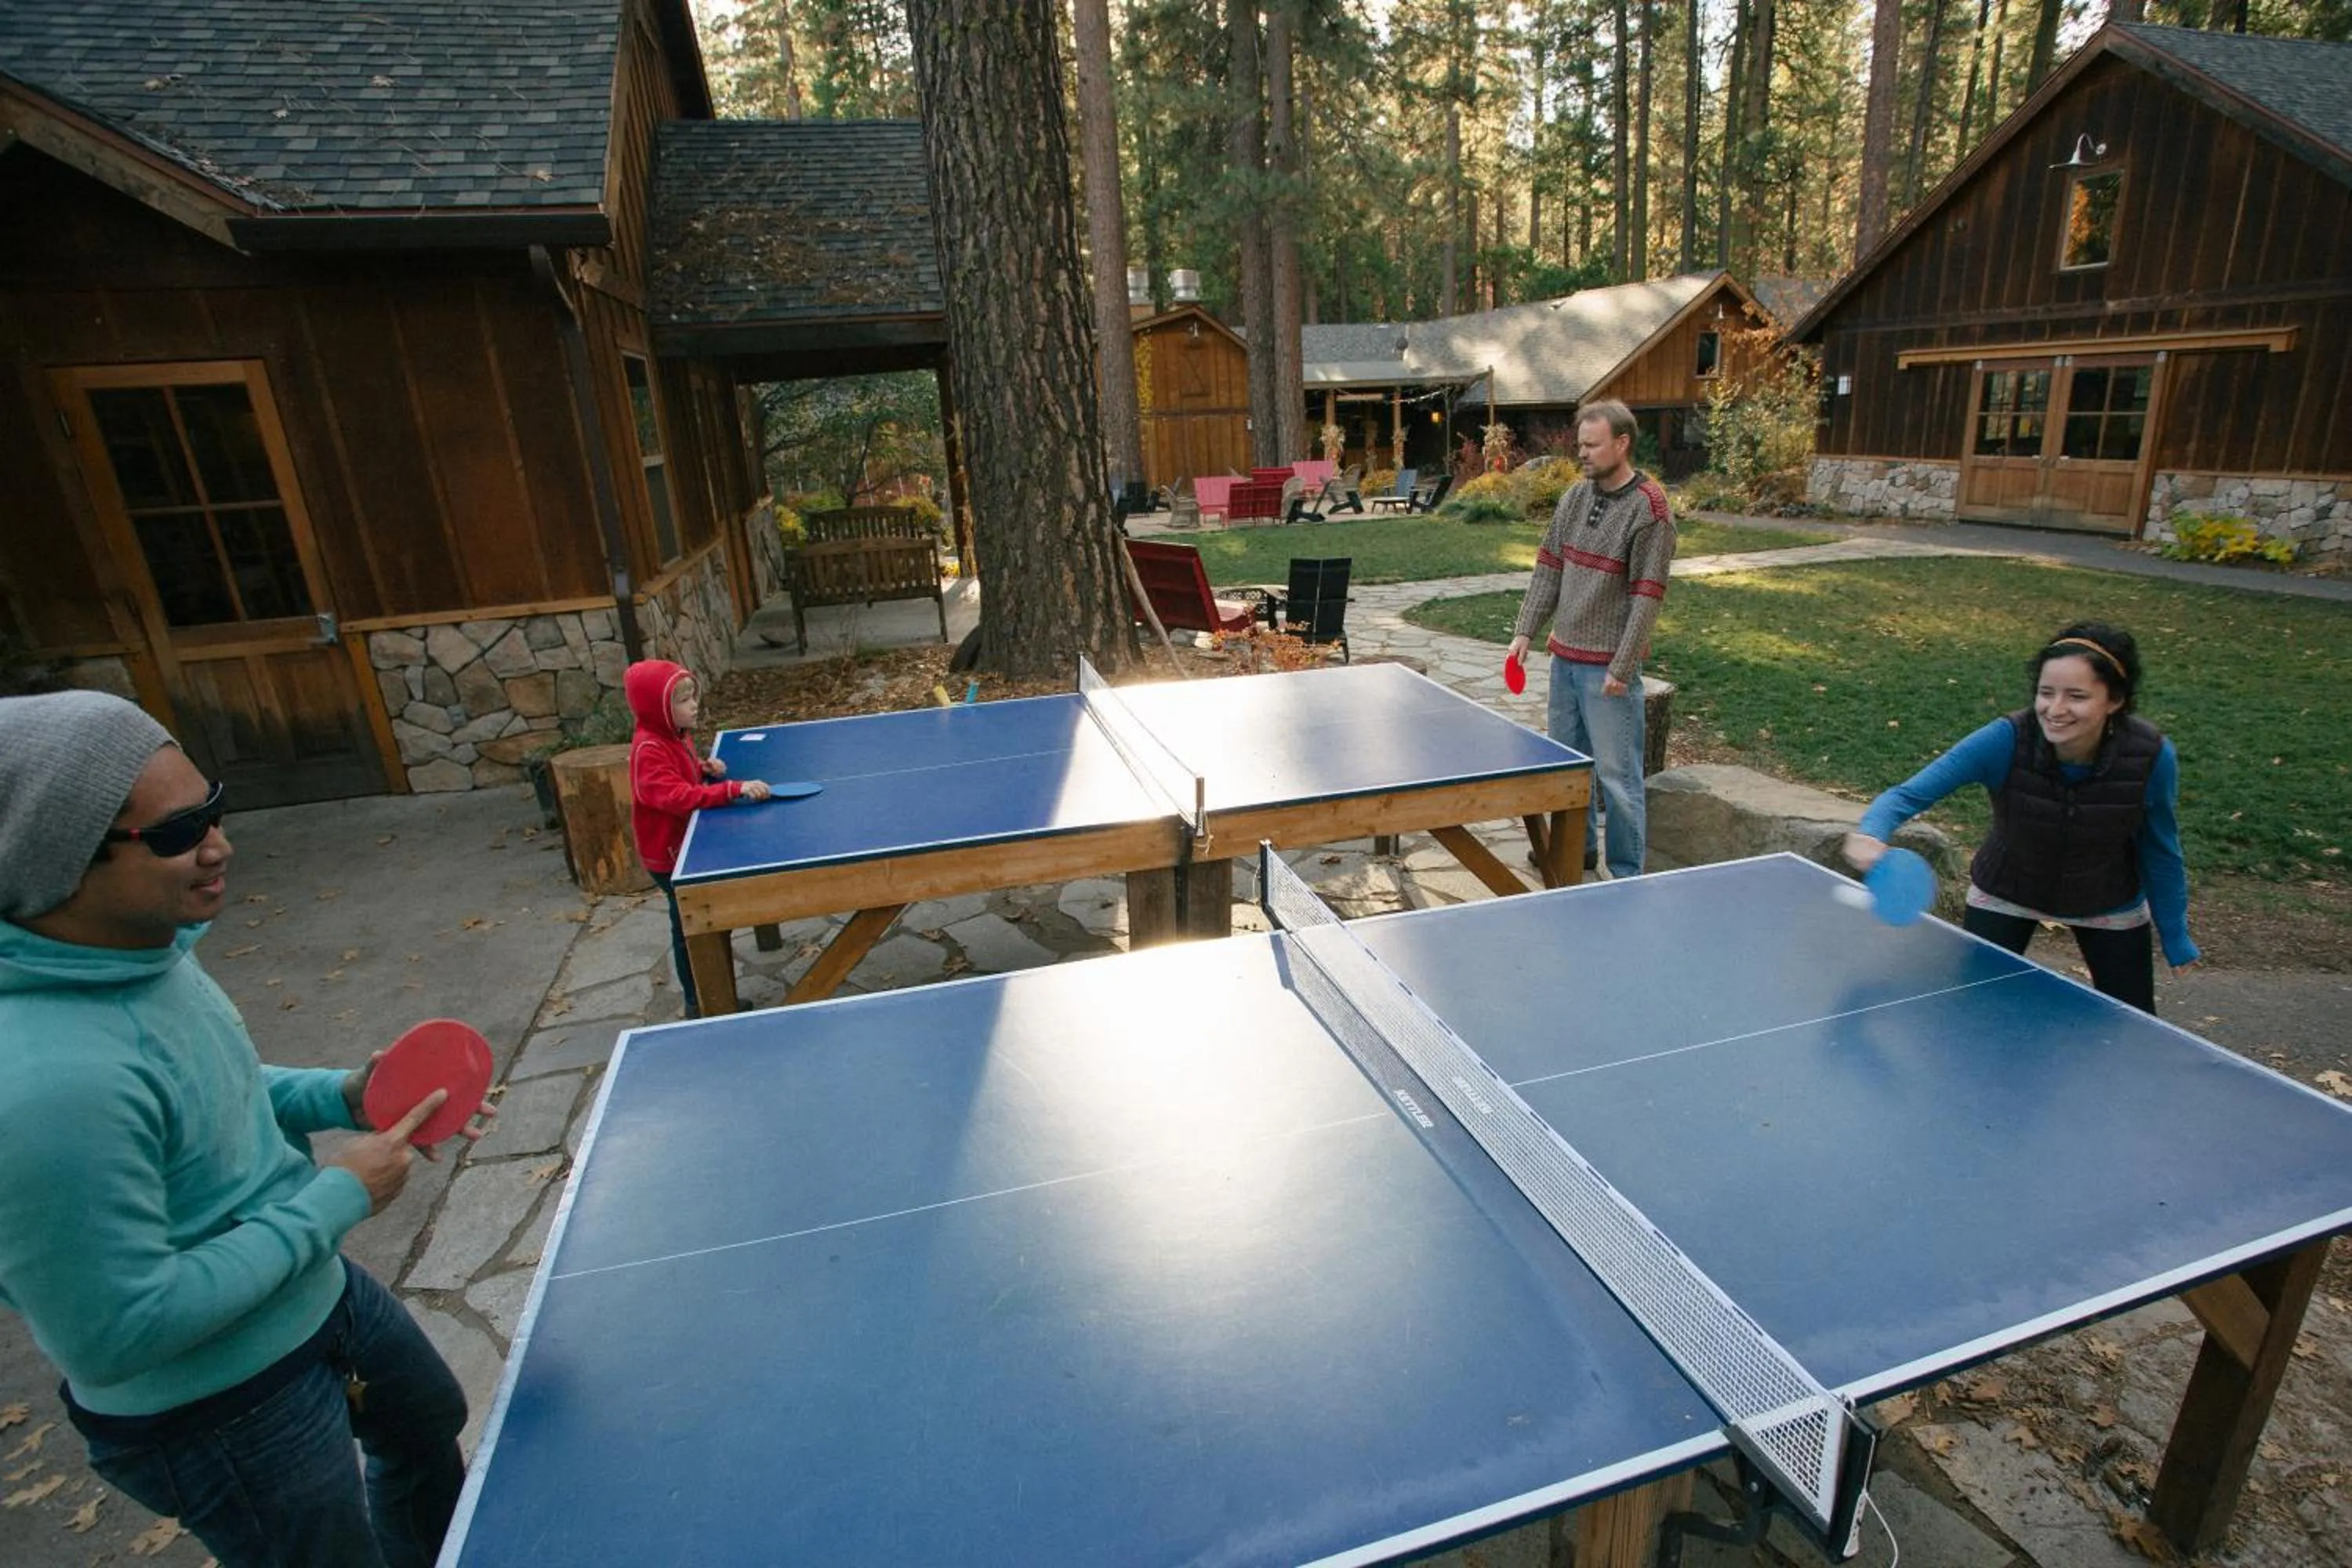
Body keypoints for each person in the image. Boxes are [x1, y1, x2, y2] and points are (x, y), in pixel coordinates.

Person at [0, 690, 495, 1568]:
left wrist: (345, 1094)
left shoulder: (141, 951)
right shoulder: (43, 1087)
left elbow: (215, 1089)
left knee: (428, 1426)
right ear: (55, 857)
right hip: (216, 1402)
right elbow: (120, 1328)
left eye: (215, 808)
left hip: (312, 1295)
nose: (220, 844)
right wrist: (335, 1198)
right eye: (178, 831)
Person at [1844, 622, 2198, 1013]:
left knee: (2135, 1026)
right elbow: (1905, 795)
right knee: (1976, 1016)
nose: (2056, 709)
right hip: (2007, 892)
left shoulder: (2150, 757)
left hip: (2107, 898)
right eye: (2046, 693)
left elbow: (2159, 848)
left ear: (2114, 700)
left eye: (2076, 696)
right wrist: (1871, 833)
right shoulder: (2005, 740)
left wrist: (2174, 933)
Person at [1507, 399, 1677, 880]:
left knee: (1618, 780)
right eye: (1580, 444)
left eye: (1592, 445)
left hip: (1608, 671)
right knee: (1568, 770)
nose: (1582, 453)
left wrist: (1622, 668)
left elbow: (1647, 599)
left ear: (1622, 444)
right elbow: (1550, 567)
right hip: (1564, 659)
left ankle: (1625, 873)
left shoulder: (1652, 512)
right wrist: (1526, 631)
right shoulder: (1575, 498)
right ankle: (1574, 853)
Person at [626, 659, 771, 1015]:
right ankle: (703, 1003)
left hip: (681, 845)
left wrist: (703, 768)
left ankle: (708, 997)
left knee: (705, 921)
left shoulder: (675, 733)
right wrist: (730, 789)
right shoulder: (648, 749)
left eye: (693, 696)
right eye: (682, 700)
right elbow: (674, 797)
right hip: (669, 854)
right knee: (692, 928)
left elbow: (680, 775)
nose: (693, 706)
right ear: (657, 707)